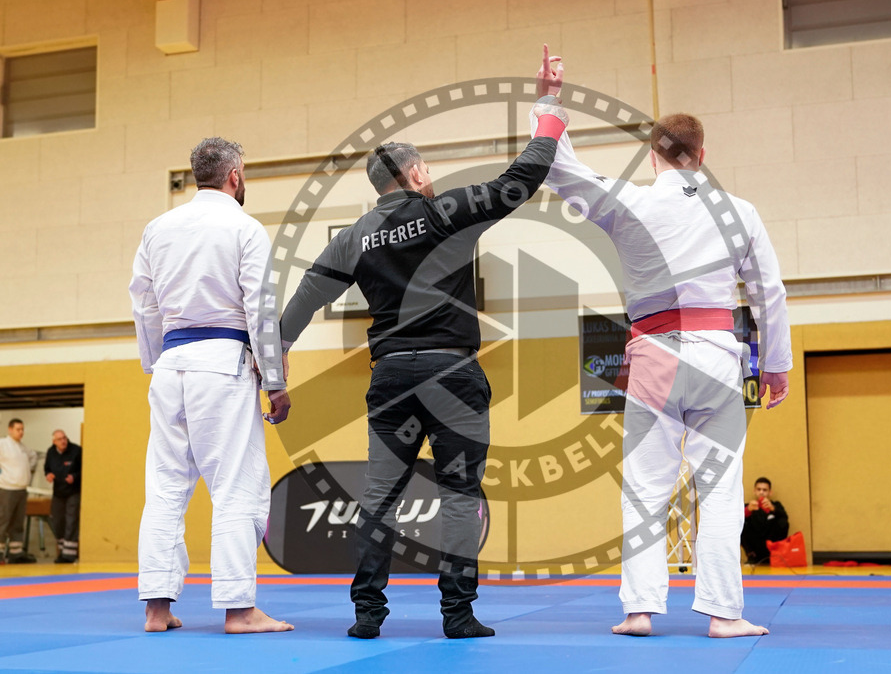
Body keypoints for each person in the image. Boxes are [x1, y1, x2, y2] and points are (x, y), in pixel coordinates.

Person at [279, 58, 569, 640]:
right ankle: (458, 616)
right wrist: (549, 110)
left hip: (391, 378)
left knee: (379, 498)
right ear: (417, 174)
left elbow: (300, 306)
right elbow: (527, 173)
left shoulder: (353, 236)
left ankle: (367, 617)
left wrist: (276, 364)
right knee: (460, 495)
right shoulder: (446, 212)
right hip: (453, 376)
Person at [534, 50, 792, 638]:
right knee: (722, 488)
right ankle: (725, 614)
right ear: (703, 155)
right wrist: (774, 365)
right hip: (718, 355)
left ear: (654, 155)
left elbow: (559, 169)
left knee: (647, 487)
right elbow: (768, 291)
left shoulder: (634, 199)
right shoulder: (740, 211)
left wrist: (549, 99)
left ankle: (639, 610)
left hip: (654, 356)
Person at [129, 137, 293, 634]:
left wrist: (157, 362)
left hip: (172, 363)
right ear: (236, 175)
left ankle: (157, 609)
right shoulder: (244, 228)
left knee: (164, 487)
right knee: (236, 485)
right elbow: (260, 309)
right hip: (222, 361)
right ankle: (240, 609)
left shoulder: (158, 228)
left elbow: (144, 303)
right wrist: (276, 380)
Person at [0, 418, 38, 564]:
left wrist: (30, 468)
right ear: (10, 430)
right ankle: (0, 551)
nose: (21, 432)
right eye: (18, 429)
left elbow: (34, 456)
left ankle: (16, 552)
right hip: (7, 488)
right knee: (3, 520)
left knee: (17, 522)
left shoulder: (23, 447)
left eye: (22, 429)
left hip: (21, 489)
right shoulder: (3, 444)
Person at [45, 429, 83, 563]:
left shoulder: (76, 451)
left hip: (73, 491)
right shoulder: (51, 452)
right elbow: (47, 468)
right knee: (57, 521)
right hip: (58, 492)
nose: (63, 441)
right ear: (54, 442)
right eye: (60, 439)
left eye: (64, 438)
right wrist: (48, 474)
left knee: (71, 521)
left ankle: (70, 554)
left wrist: (74, 476)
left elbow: (83, 469)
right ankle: (62, 551)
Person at [741, 477, 789, 564]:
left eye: (764, 490)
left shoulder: (775, 505)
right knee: (740, 525)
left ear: (770, 492)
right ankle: (751, 556)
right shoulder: (749, 506)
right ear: (754, 491)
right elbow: (737, 521)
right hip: (755, 543)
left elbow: (785, 518)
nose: (761, 492)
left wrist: (773, 509)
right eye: (759, 489)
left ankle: (776, 555)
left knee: (783, 522)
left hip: (771, 543)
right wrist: (748, 510)